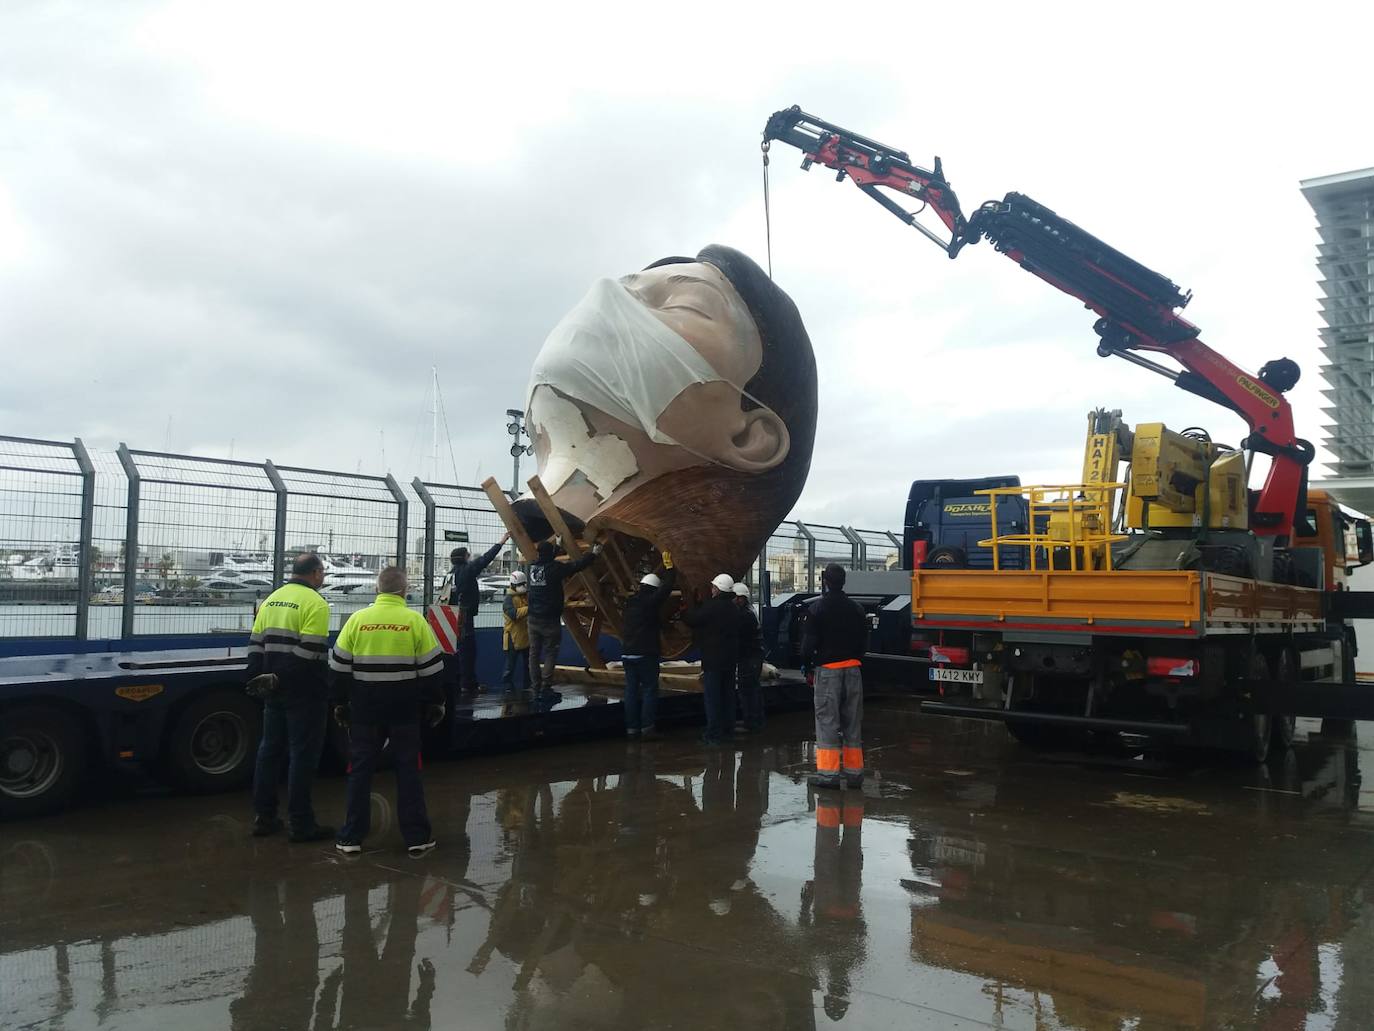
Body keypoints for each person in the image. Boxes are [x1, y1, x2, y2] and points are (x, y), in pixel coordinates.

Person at [329, 566, 446, 857]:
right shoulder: (414, 621)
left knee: (360, 770)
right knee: (408, 770)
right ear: (405, 591)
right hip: (405, 710)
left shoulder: (357, 620)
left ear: (377, 590)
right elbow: (432, 672)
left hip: (365, 709)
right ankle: (417, 837)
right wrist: (436, 703)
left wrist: (340, 703)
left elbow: (339, 669)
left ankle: (351, 837)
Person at [246, 552, 333, 842]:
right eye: (322, 573)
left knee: (269, 751)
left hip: (272, 691)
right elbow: (310, 651)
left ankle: (264, 817)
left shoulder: (271, 600)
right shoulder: (316, 603)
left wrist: (260, 677)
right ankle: (301, 824)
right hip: (305, 693)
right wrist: (281, 677)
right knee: (302, 756)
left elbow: (256, 644)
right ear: (316, 573)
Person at [801, 563, 869, 789]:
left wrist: (807, 665)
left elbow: (808, 645)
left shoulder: (817, 609)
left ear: (825, 581)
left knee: (827, 722)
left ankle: (828, 776)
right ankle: (854, 774)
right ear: (843, 581)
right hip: (853, 669)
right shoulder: (857, 609)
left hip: (828, 671)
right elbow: (863, 643)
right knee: (852, 722)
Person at [526, 539, 602, 693]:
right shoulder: (555, 569)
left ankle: (535, 684)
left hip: (533, 618)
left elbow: (546, 561)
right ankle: (546, 683)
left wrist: (557, 548)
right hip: (550, 619)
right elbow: (576, 566)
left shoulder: (532, 568)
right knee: (551, 651)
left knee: (534, 653)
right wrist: (593, 554)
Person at [619, 551, 677, 739]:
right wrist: (670, 569)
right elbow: (667, 589)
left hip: (628, 653)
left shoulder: (630, 603)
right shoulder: (650, 602)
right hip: (646, 654)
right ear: (653, 589)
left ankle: (631, 729)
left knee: (631, 691)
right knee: (650, 690)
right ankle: (647, 728)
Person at [446, 533, 512, 693]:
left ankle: (456, 682)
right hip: (465, 616)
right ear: (464, 557)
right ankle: (468, 684)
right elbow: (485, 559)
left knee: (452, 652)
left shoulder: (449, 575)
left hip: (449, 616)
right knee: (468, 651)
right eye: (467, 556)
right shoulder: (467, 570)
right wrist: (501, 542)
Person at [682, 572, 740, 745]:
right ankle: (728, 731)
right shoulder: (733, 608)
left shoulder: (711, 607)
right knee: (728, 696)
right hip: (730, 661)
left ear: (718, 589)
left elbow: (694, 619)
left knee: (713, 699)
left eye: (713, 587)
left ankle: (713, 735)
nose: (712, 590)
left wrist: (685, 610)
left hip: (713, 661)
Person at [733, 581, 765, 734]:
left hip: (749, 657)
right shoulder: (750, 611)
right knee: (753, 689)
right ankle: (756, 719)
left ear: (741, 598)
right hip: (754, 656)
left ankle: (750, 721)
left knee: (747, 690)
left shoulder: (744, 615)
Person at [501, 570, 530, 693]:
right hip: (513, 637)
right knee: (510, 665)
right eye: (520, 585)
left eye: (524, 584)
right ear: (513, 585)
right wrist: (530, 608)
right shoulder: (508, 599)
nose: (522, 587)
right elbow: (513, 614)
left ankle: (528, 684)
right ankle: (507, 686)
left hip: (526, 635)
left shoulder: (526, 596)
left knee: (528, 664)